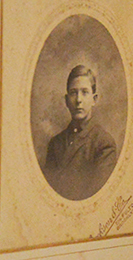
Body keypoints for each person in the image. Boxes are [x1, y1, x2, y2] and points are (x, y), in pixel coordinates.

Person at [43, 65, 118, 201]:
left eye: (84, 92)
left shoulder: (104, 144)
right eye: (73, 93)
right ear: (66, 100)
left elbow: (98, 197)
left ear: (94, 99)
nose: (78, 100)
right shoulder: (55, 144)